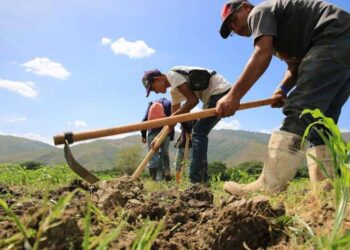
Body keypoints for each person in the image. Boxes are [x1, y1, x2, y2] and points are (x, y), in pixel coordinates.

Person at [217, 0, 350, 195]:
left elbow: (262, 53)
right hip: (341, 44)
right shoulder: (280, 32)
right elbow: (295, 67)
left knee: (300, 110)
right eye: (230, 29)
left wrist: (233, 96)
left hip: (332, 36)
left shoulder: (259, 13)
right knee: (320, 121)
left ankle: (270, 185)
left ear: (246, 7)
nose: (234, 28)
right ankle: (327, 188)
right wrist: (282, 89)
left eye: (233, 20)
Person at [142, 66, 231, 185]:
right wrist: (158, 138)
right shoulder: (174, 91)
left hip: (220, 93)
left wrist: (172, 118)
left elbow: (193, 101)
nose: (156, 92)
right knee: (199, 131)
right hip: (213, 98)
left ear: (158, 79)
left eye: (153, 88)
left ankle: (197, 180)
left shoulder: (173, 75)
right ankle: (201, 179)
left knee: (198, 132)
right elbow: (173, 120)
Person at [141, 98, 174, 181]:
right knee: (164, 154)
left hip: (152, 132)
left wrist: (143, 135)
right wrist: (170, 136)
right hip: (165, 133)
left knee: (153, 155)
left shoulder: (151, 104)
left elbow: (145, 119)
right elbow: (173, 120)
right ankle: (167, 175)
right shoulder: (169, 103)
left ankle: (154, 180)